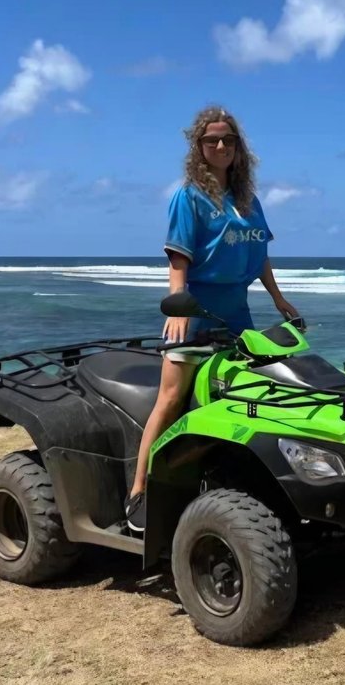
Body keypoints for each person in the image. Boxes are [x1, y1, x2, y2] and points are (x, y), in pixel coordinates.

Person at [124, 105, 302, 533]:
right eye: (211, 140)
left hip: (239, 314)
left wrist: (279, 300)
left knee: (248, 393)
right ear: (198, 147)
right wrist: (179, 306)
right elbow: (178, 260)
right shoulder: (188, 197)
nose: (220, 146)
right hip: (196, 311)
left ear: (239, 148)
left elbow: (260, 256)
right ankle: (138, 492)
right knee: (170, 398)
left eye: (228, 140)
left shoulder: (249, 201)